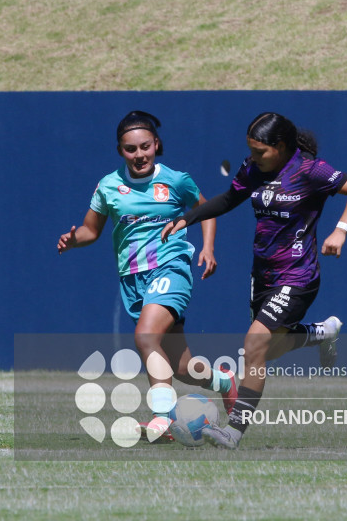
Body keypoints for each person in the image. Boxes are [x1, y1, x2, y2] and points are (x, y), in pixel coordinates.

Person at [161, 111, 347, 449]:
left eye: (260, 152)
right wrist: (187, 220)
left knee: (254, 344)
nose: (253, 158)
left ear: (282, 146)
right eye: (251, 150)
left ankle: (233, 432)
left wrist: (340, 231)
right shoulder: (253, 170)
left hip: (298, 276)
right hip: (263, 276)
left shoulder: (309, 169)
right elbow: (229, 200)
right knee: (268, 350)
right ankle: (322, 332)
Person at [57, 110, 237, 442]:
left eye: (145, 147)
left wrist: (208, 248)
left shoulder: (176, 180)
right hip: (133, 279)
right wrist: (72, 241)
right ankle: (224, 382)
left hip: (171, 268)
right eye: (130, 149)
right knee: (182, 368)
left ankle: (163, 418)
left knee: (145, 338)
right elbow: (90, 230)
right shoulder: (109, 186)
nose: (139, 155)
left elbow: (207, 210)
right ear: (120, 151)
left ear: (156, 144)